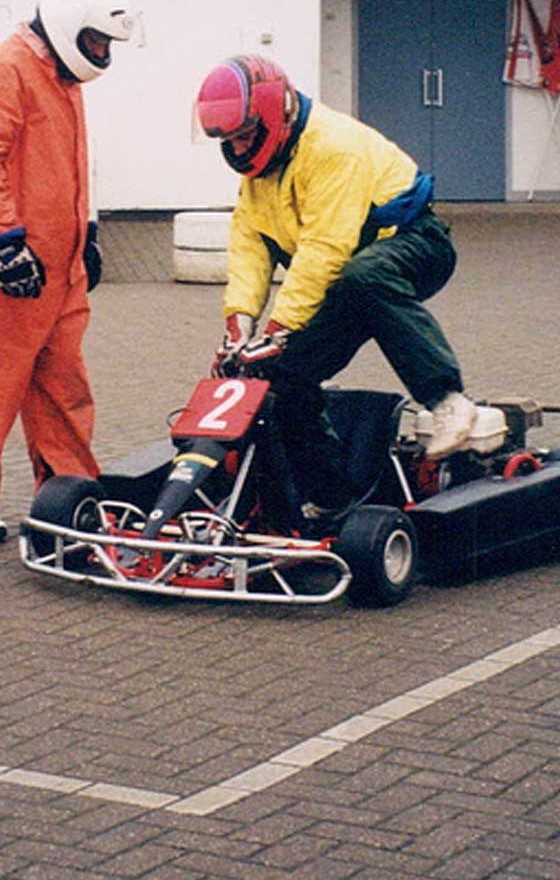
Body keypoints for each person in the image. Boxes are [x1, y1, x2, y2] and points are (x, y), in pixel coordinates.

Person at [195, 54, 478, 527]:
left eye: (244, 135)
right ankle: (329, 496)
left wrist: (279, 327)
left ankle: (449, 401)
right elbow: (250, 245)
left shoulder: (331, 147)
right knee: (278, 377)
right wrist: (240, 330)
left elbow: (324, 249)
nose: (238, 148)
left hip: (412, 247)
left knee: (363, 277)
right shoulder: (258, 172)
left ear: (271, 116)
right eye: (228, 140)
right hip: (347, 277)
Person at [0, 0, 137, 543]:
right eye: (97, 40)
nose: (101, 52)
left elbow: (69, 166)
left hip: (59, 266)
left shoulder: (61, 80)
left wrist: (87, 234)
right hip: (8, 264)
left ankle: (70, 491)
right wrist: (7, 242)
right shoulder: (4, 71)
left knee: (63, 386)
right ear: (70, 25)